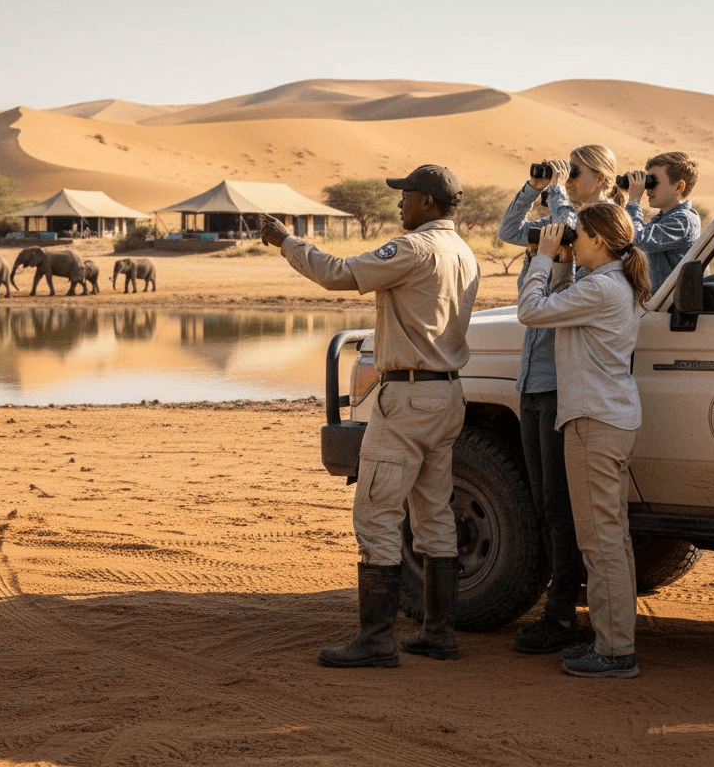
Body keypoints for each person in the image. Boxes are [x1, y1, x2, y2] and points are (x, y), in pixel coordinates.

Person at [260, 164, 480, 668]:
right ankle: (438, 633)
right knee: (434, 514)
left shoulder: (414, 249)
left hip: (407, 399)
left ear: (427, 202)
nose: (399, 203)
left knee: (377, 514)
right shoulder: (463, 251)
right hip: (447, 396)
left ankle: (377, 640)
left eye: (405, 195)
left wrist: (287, 243)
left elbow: (340, 274)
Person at [497, 144, 624, 655]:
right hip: (533, 377)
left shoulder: (598, 228)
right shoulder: (561, 218)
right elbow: (509, 232)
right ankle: (557, 602)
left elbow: (557, 279)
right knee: (542, 500)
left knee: (560, 504)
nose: (568, 179)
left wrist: (557, 212)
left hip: (561, 383)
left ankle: (562, 610)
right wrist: (534, 189)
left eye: (577, 172)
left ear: (603, 178)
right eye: (566, 172)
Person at [516, 203, 650, 678]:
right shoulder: (614, 283)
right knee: (612, 538)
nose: (573, 240)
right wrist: (564, 263)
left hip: (595, 421)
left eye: (579, 236)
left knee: (600, 541)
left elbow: (531, 312)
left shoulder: (601, 288)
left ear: (597, 239)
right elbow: (561, 306)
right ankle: (615, 642)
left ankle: (615, 652)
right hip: (610, 418)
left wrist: (543, 257)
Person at [622, 151, 701, 289]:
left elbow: (637, 240)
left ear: (678, 187)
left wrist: (634, 201)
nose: (647, 190)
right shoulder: (661, 219)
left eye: (653, 182)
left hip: (674, 306)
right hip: (659, 303)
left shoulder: (684, 221)